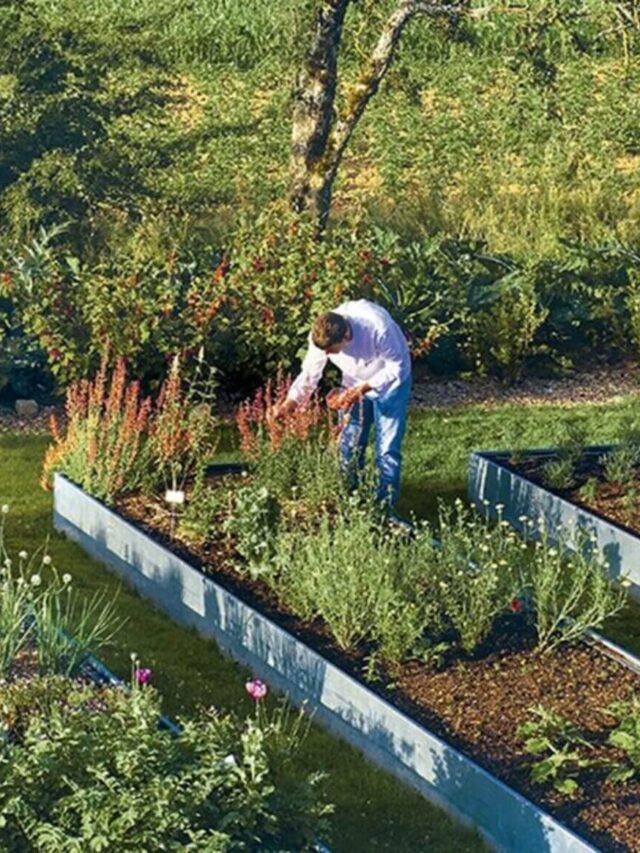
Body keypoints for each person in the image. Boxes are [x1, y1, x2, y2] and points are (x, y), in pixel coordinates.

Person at [275, 299, 411, 508]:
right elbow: (310, 374)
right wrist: (290, 403)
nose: (327, 355)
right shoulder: (321, 337)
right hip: (354, 381)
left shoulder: (378, 327)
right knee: (349, 442)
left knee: (387, 449)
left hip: (391, 384)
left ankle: (384, 508)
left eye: (332, 351)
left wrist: (363, 389)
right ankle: (348, 499)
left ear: (347, 336)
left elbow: (396, 368)